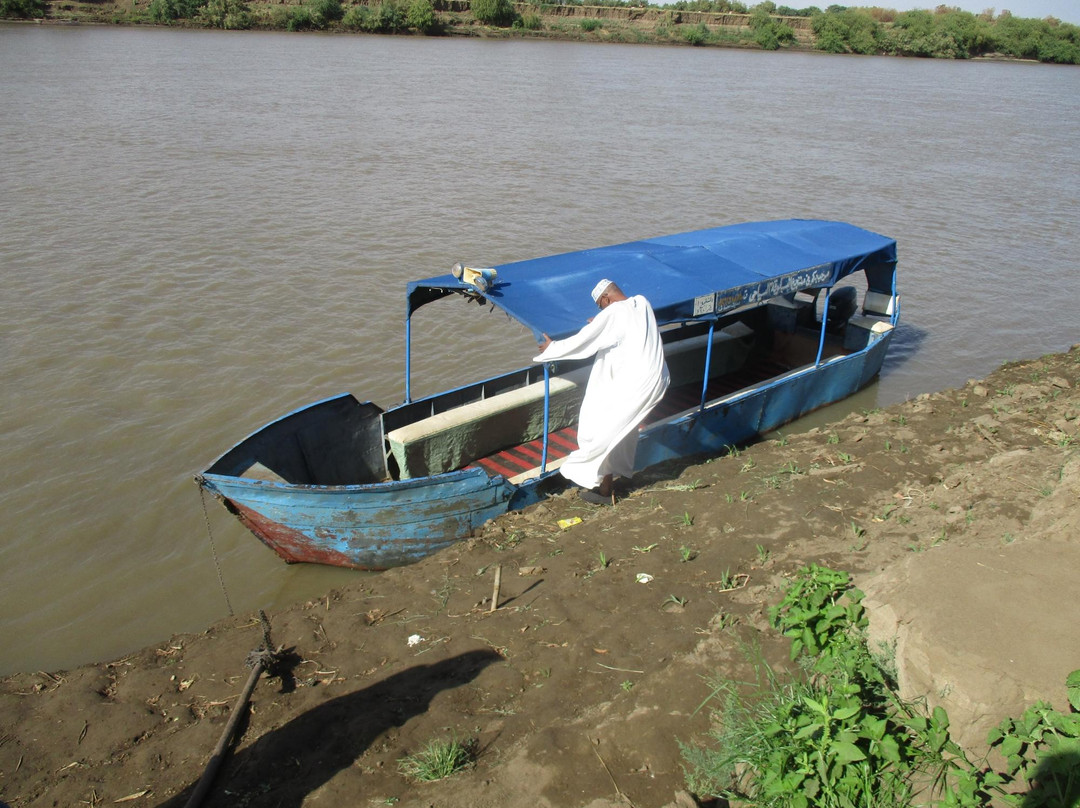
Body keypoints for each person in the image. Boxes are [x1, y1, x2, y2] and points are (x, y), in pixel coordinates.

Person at [533, 279, 670, 505]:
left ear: (606, 298)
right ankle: (606, 489)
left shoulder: (614, 312)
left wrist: (552, 349)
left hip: (638, 382)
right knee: (621, 431)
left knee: (600, 428)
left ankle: (577, 471)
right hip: (658, 377)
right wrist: (601, 321)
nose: (602, 309)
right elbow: (622, 323)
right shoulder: (642, 302)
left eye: (600, 305)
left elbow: (584, 342)